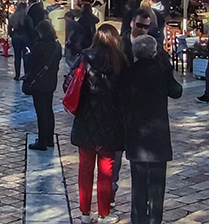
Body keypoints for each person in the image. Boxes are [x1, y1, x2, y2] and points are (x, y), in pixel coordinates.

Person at [120, 34, 183, 224]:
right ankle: (155, 219)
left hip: (137, 135)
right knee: (157, 183)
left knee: (138, 183)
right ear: (154, 52)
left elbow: (121, 101)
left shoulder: (129, 73)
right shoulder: (161, 70)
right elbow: (177, 92)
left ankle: (139, 218)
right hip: (158, 135)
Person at [71, 24, 127, 224]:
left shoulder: (84, 58)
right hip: (110, 121)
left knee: (85, 169)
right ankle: (104, 213)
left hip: (86, 118)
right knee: (107, 170)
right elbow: (125, 94)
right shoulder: (120, 61)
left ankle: (84, 213)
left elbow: (69, 84)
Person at [24, 19, 62, 151]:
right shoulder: (57, 46)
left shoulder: (38, 47)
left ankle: (42, 140)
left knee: (41, 112)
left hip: (39, 82)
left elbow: (31, 64)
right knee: (49, 110)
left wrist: (27, 55)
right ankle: (49, 139)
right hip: (51, 81)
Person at [7, 1, 31, 80]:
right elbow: (31, 29)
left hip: (15, 38)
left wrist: (12, 34)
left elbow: (9, 29)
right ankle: (26, 73)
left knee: (17, 56)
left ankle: (17, 74)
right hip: (25, 38)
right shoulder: (26, 18)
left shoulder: (13, 17)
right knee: (25, 56)